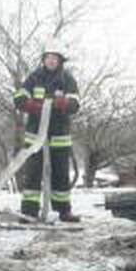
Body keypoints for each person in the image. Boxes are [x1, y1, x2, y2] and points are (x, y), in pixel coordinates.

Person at [13, 41, 81, 222]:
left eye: (55, 58)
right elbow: (19, 97)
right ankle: (29, 211)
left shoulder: (67, 79)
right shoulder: (34, 78)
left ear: (60, 61)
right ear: (44, 59)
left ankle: (64, 211)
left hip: (59, 135)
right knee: (33, 173)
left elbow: (75, 104)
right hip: (35, 135)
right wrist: (31, 106)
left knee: (61, 174)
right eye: (48, 57)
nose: (51, 61)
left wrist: (62, 104)